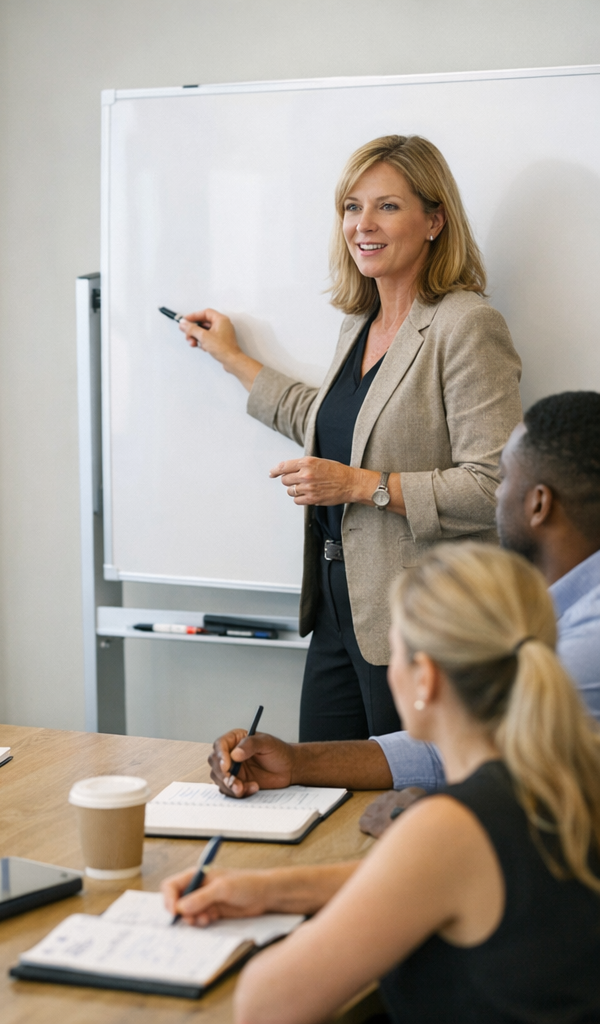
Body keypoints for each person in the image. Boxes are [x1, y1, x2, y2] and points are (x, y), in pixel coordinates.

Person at [164, 544, 600, 1024]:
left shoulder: (451, 828)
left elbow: (264, 1004)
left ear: (425, 679)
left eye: (393, 650)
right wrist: (270, 890)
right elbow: (430, 881)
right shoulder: (571, 776)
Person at [180, 135, 521, 741]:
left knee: (398, 806)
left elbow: (495, 487)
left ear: (435, 219)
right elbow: (327, 418)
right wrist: (229, 356)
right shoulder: (359, 325)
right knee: (320, 791)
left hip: (419, 624)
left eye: (387, 206)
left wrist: (362, 486)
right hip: (338, 608)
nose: (363, 224)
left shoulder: (466, 325)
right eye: (351, 206)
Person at [210, 393, 600, 833]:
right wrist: (294, 761)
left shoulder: (588, 642)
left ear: (538, 504)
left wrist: (426, 819)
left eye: (506, 477)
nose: (496, 494)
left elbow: (497, 779)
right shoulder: (557, 607)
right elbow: (457, 745)